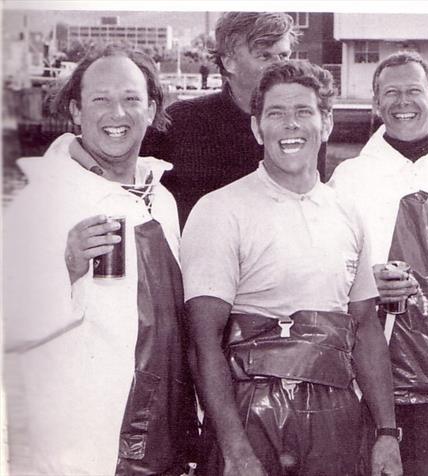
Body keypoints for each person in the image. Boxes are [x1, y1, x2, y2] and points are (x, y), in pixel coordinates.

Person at [181, 59, 402, 476]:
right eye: (276, 114)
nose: (290, 125)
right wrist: (235, 450)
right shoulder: (220, 209)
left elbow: (366, 328)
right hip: (249, 413)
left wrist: (387, 432)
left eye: (303, 112)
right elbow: (202, 342)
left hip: (336, 414)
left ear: (327, 123)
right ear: (256, 127)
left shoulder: (347, 212)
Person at [3, 44, 198, 475]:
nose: (117, 113)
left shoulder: (161, 197)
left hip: (164, 435)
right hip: (82, 445)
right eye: (100, 99)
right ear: (74, 111)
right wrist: (66, 269)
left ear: (151, 110)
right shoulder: (35, 198)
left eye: (131, 99)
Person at [328, 51, 428, 476]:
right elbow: (324, 268)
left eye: (414, 90)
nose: (404, 102)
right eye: (391, 93)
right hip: (374, 380)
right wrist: (367, 281)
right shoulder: (349, 178)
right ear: (376, 103)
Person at [141, 12, 326, 228]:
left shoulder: (305, 128)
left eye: (284, 56)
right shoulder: (178, 123)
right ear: (229, 62)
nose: (279, 67)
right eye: (265, 56)